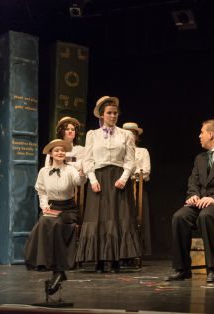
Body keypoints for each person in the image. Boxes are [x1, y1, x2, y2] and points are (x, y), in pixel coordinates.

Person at [165, 119, 214, 283]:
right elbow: (193, 182)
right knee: (180, 217)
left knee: (207, 216)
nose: (199, 136)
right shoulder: (200, 158)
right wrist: (193, 195)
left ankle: (213, 269)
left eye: (202, 132)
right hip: (202, 202)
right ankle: (182, 269)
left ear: (211, 134)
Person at [76, 96, 141, 273]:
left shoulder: (126, 135)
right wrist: (93, 179)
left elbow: (130, 159)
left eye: (115, 113)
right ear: (102, 115)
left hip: (119, 178)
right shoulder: (92, 134)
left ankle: (115, 260)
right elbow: (88, 159)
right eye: (109, 113)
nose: (113, 116)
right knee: (99, 217)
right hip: (100, 177)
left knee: (118, 217)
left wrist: (124, 177)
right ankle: (99, 260)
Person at [24, 139, 86, 296]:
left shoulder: (70, 170)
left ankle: (59, 268)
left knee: (57, 224)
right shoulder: (44, 172)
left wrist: (82, 174)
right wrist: (44, 206)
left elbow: (79, 182)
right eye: (56, 150)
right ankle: (46, 263)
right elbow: (42, 191)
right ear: (51, 153)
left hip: (68, 209)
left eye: (62, 150)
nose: (60, 152)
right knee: (44, 222)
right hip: (52, 208)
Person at [122, 122, 152, 258]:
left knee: (139, 219)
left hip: (138, 189)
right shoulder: (120, 152)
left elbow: (145, 171)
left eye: (133, 133)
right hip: (122, 187)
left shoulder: (142, 151)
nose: (130, 136)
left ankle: (138, 251)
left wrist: (132, 175)